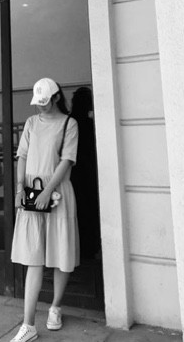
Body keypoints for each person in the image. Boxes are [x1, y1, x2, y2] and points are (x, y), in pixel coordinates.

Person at [10, 78, 79, 342]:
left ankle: (55, 307)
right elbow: (22, 156)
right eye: (38, 102)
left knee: (61, 253)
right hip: (32, 193)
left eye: (45, 101)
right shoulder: (31, 123)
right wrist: (20, 189)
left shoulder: (69, 124)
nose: (41, 106)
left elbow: (67, 160)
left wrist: (48, 191)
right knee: (33, 257)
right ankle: (28, 324)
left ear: (56, 97)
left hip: (57, 192)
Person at [70, 87, 100, 259]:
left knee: (77, 211)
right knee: (89, 210)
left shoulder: (68, 122)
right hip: (87, 173)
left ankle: (78, 247)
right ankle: (89, 247)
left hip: (73, 174)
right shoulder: (89, 124)